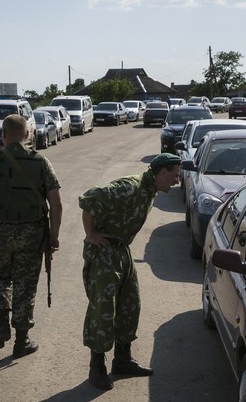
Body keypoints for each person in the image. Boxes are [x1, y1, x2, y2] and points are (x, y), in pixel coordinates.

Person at [79, 152, 182, 390]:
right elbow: (90, 200)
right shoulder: (131, 187)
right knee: (103, 309)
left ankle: (122, 361)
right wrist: (91, 235)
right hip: (105, 253)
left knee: (129, 305)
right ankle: (97, 369)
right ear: (162, 172)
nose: (176, 181)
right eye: (174, 176)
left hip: (121, 250)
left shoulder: (149, 189)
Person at [0, 114, 62, 359]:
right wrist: (53, 236)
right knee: (25, 285)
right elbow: (56, 202)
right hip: (32, 234)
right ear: (27, 135)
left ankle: (1, 324)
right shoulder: (40, 161)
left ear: (3, 135)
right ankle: (22, 341)